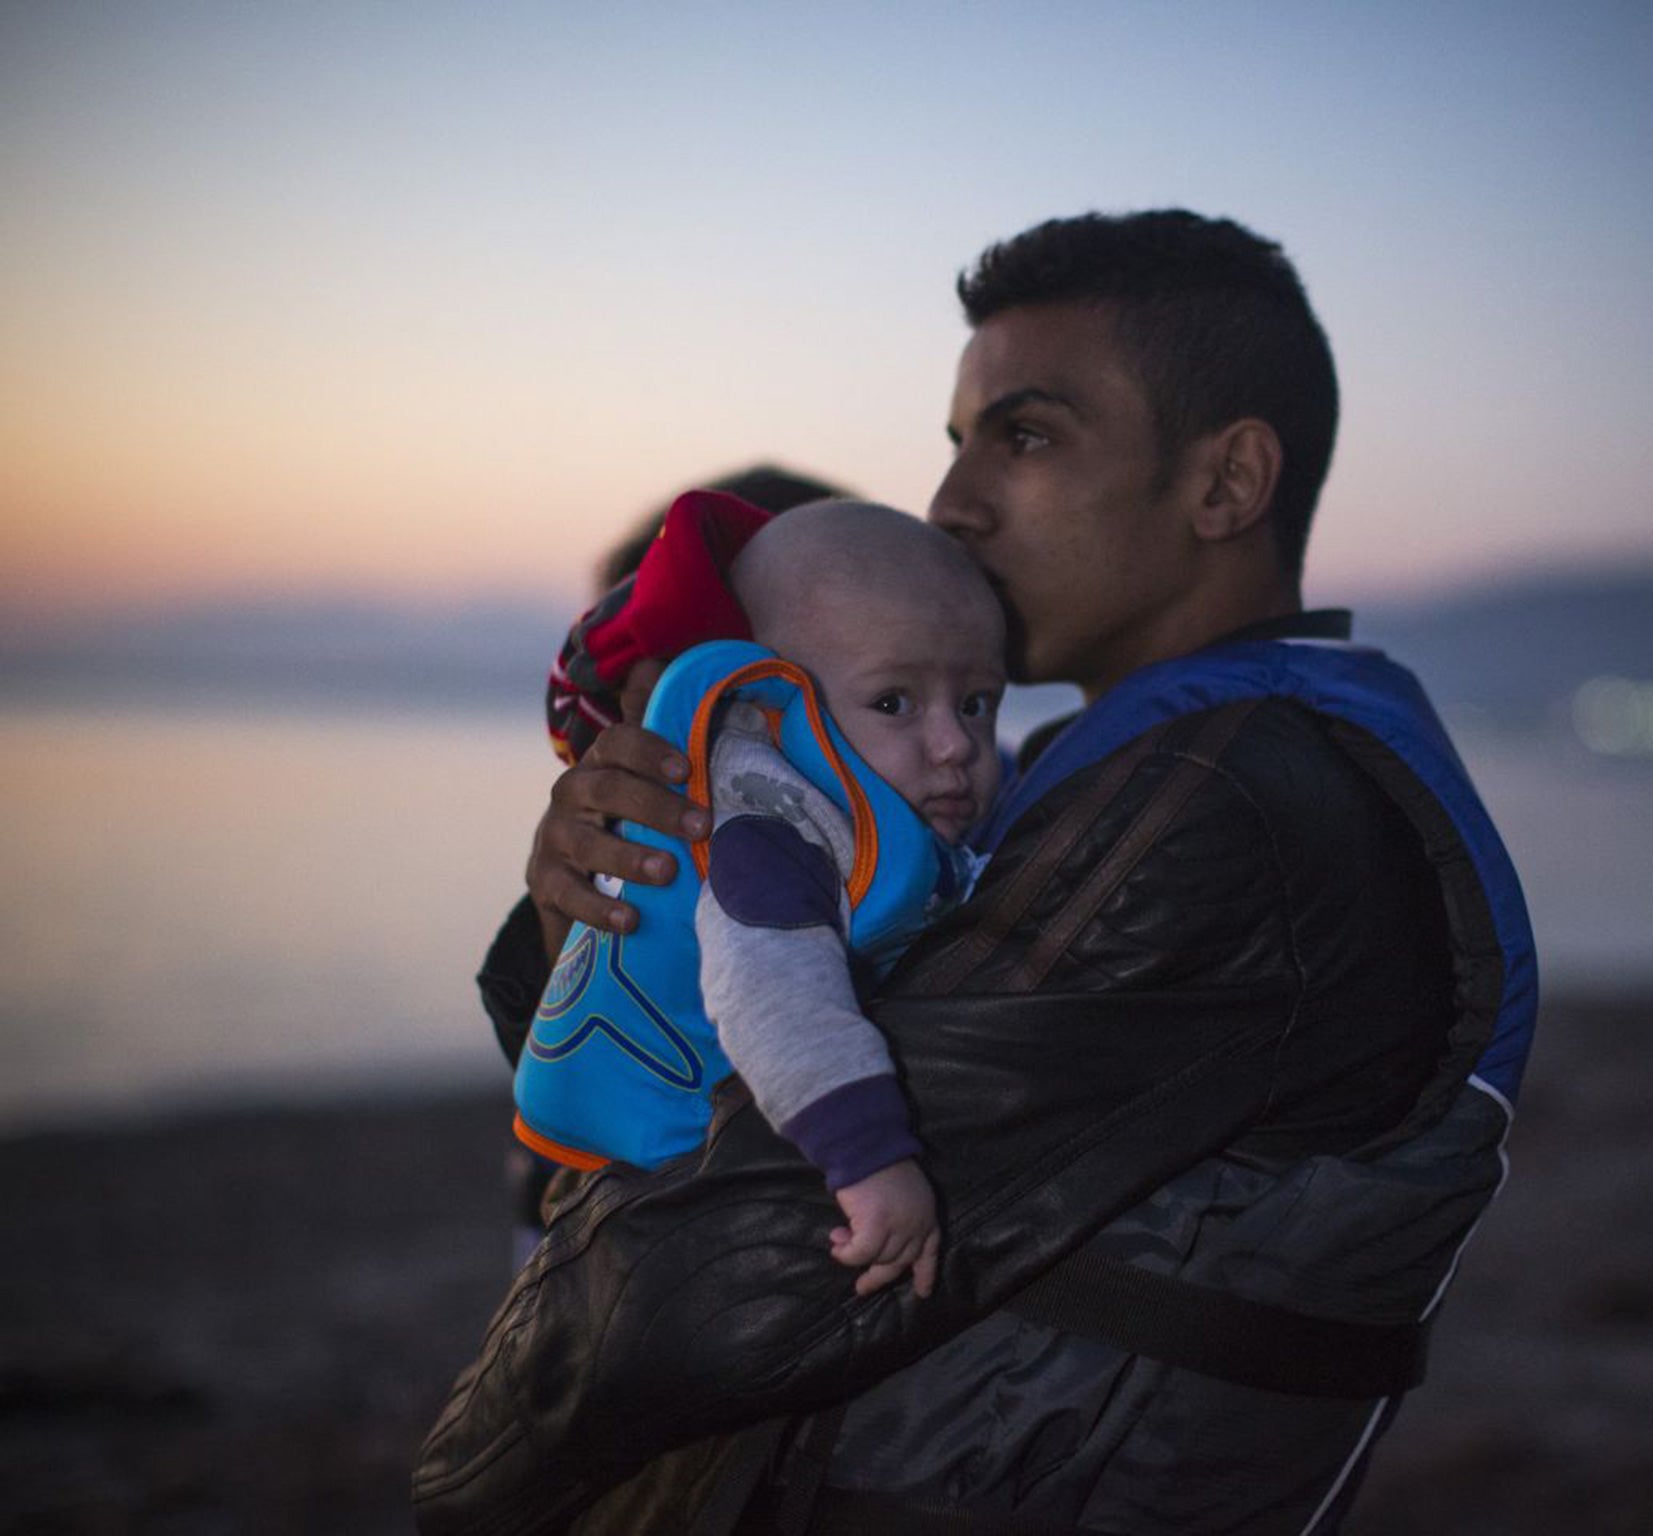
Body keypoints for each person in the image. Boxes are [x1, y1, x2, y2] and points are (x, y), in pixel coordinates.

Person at [416, 209, 1538, 1535]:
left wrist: (455, 1483)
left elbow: (740, 1264)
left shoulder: (1231, 804)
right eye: (957, 444)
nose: (951, 502)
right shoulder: (1115, 764)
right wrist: (599, 909)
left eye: (1028, 435)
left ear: (1227, 484)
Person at [513, 496, 1006, 1300]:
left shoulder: (894, 801)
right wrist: (873, 1161)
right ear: (773, 707)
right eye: (894, 702)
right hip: (678, 1182)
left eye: (978, 703)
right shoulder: (769, 832)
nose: (956, 744)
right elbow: (775, 993)